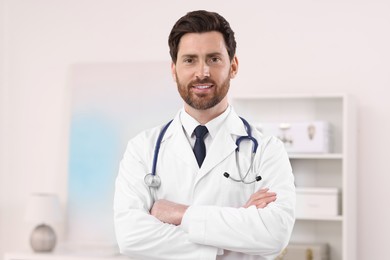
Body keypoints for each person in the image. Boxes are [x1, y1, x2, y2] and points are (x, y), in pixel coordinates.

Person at [114, 10, 295, 260]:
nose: (202, 72)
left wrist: (181, 214)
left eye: (213, 59)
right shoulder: (143, 148)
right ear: (174, 69)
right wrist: (232, 235)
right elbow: (130, 237)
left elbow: (275, 234)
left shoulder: (266, 150)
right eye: (189, 60)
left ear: (233, 66)